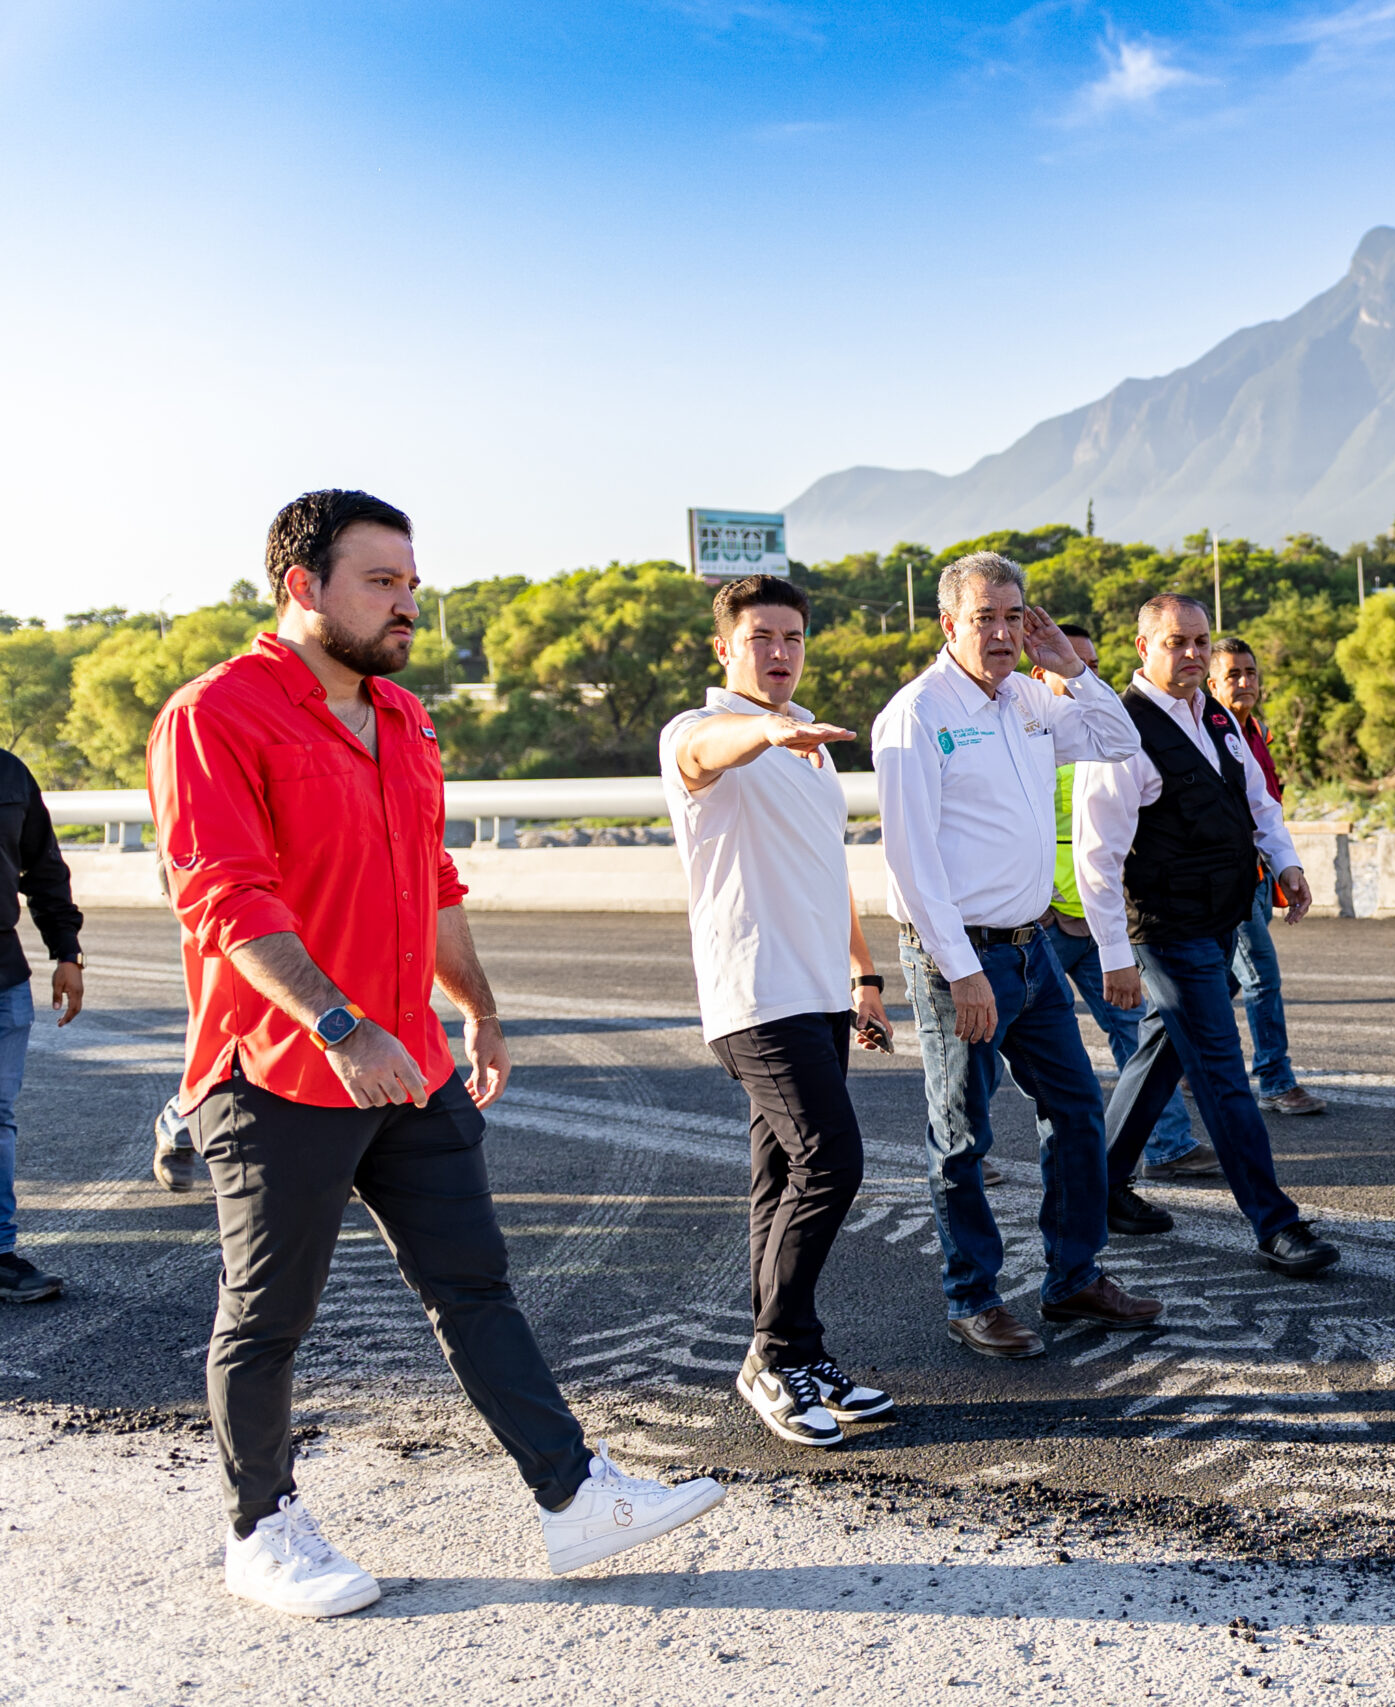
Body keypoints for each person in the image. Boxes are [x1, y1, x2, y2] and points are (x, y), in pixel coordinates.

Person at [150, 489, 722, 1619]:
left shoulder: (405, 719)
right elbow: (222, 895)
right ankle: (258, 1528)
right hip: (277, 1064)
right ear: (301, 587)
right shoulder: (218, 712)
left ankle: (573, 1498)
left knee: (474, 1286)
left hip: (405, 1062)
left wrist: (482, 1008)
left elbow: (433, 882)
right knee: (267, 1315)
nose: (409, 603)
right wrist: (338, 1023)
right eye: (382, 582)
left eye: (413, 582)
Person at [873, 552, 1163, 1359]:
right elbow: (910, 857)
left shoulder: (1034, 697)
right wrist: (961, 968)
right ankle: (973, 1297)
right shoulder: (917, 714)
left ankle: (1073, 1278)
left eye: (1013, 617)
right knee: (963, 1136)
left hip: (1033, 948)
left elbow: (1119, 739)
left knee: (1075, 1113)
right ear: (947, 625)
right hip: (961, 960)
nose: (1001, 634)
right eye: (983, 619)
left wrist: (1070, 667)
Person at [661, 572, 897, 1450]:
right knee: (833, 1159)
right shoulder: (698, 731)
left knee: (781, 1179)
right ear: (724, 648)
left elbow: (826, 870)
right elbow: (708, 751)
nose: (781, 653)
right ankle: (775, 1351)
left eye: (793, 638)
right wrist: (763, 728)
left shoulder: (814, 750)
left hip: (818, 992)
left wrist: (863, 977)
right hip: (754, 994)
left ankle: (791, 1354)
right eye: (762, 637)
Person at [1074, 596, 1339, 1277]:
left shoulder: (1212, 714)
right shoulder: (1122, 732)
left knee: (1166, 1048)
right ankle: (1275, 1223)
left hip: (1217, 919)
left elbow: (1257, 799)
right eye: (1175, 642)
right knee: (1222, 1070)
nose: (1190, 653)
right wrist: (1115, 957)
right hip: (1165, 931)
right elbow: (1096, 857)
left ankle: (1097, 1187)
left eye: (1200, 641)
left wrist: (1286, 861)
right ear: (1142, 645)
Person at [1032, 626, 1213, 1184]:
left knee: (1133, 1030)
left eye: (1090, 664)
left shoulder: (1105, 737)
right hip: (1039, 922)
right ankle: (978, 1148)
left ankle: (1169, 1146)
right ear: (1041, 674)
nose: (1087, 674)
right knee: (1002, 1044)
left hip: (1092, 919)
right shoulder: (1033, 738)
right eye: (1071, 665)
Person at [1204, 638, 1325, 1118]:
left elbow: (1267, 809)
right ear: (1212, 683)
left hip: (1257, 876)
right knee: (1261, 979)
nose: (1244, 682)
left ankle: (1183, 1066)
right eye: (1233, 674)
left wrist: (1283, 866)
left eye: (1250, 672)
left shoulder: (1256, 731)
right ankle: (1276, 1080)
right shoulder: (1209, 732)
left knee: (1223, 983)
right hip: (1229, 882)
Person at [0, 745, 84, 1304]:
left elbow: (45, 868)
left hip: (3, 977)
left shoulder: (9, 772)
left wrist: (67, 953)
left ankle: (0, 1254)